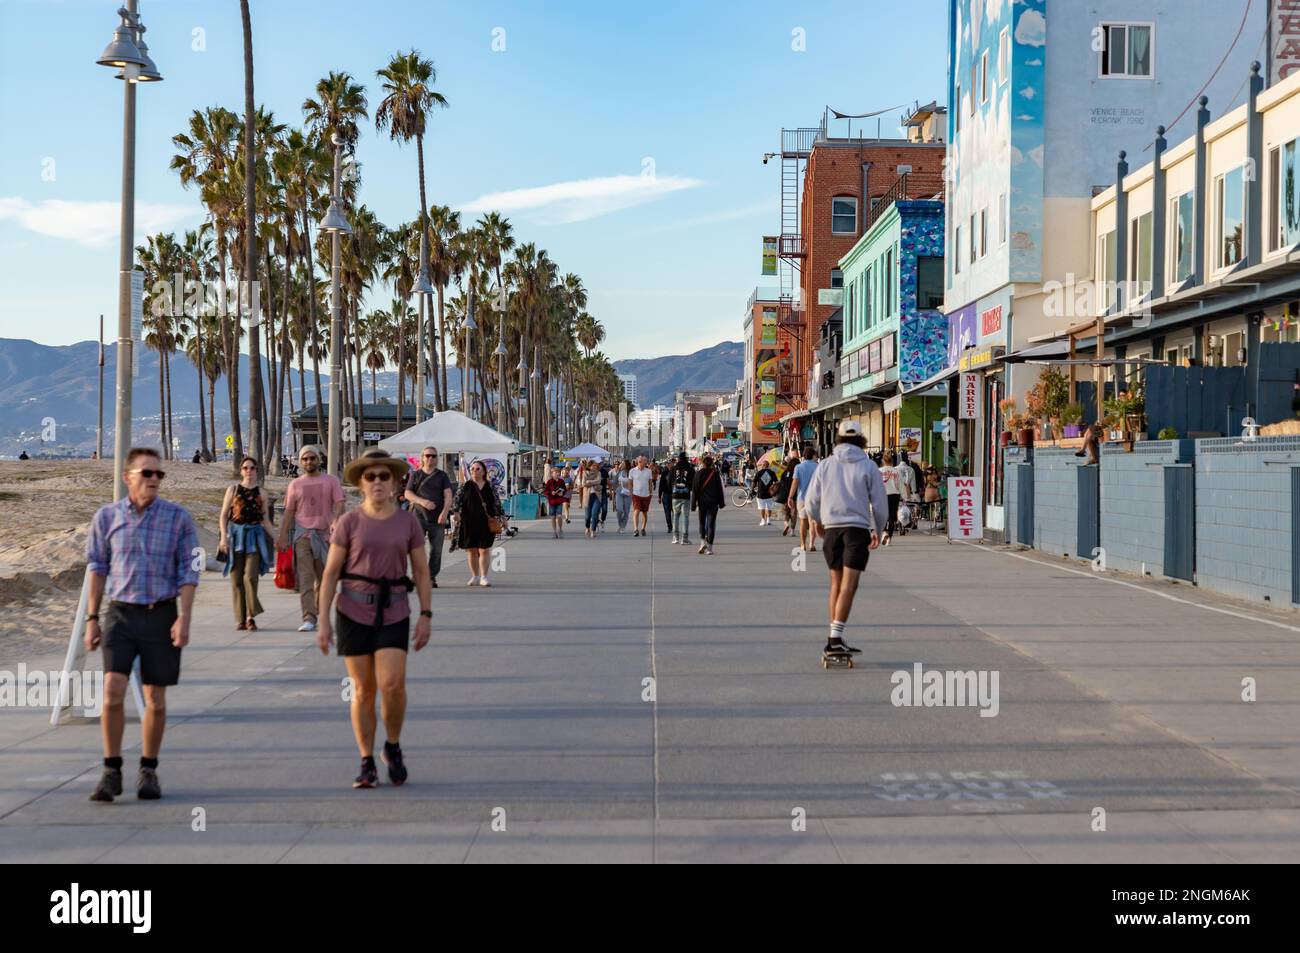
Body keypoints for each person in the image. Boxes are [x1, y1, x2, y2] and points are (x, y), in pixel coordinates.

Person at [84, 448, 199, 802]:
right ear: (127, 477)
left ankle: (148, 769)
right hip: (120, 614)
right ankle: (111, 769)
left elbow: (189, 571)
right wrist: (92, 618)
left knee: (156, 699)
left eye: (158, 474)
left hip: (160, 614)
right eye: (146, 473)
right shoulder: (105, 518)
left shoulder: (178, 518)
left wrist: (184, 617)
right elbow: (97, 568)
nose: (153, 479)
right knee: (112, 691)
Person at [316, 449, 431, 788]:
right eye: (371, 476)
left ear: (396, 482)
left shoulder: (408, 522)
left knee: (393, 684)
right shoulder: (349, 522)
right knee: (364, 690)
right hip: (352, 610)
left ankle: (392, 746)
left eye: (384, 476)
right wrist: (323, 621)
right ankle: (366, 760)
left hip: (395, 610)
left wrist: (426, 614)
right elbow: (331, 573)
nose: (378, 482)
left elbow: (422, 572)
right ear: (361, 483)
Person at [804, 420, 888, 662]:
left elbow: (811, 500)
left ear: (838, 439)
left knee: (836, 585)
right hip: (856, 530)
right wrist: (878, 529)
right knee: (849, 586)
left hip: (831, 531)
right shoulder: (869, 465)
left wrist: (818, 522)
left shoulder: (826, 465)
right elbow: (880, 503)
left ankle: (835, 637)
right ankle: (834, 639)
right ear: (861, 439)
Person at [277, 445, 346, 633]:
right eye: (305, 459)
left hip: (325, 537)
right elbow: (289, 511)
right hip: (303, 537)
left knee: (325, 581)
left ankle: (319, 613)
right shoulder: (295, 485)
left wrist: (336, 520)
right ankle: (308, 617)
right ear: (300, 462)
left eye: (312, 458)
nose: (309, 462)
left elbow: (340, 503)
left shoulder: (331, 481)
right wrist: (282, 535)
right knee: (306, 579)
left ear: (319, 460)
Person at [218, 456, 275, 631]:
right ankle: (241, 619)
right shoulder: (233, 490)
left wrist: (278, 538)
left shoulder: (262, 493)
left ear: (257, 470)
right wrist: (223, 537)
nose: (248, 471)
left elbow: (265, 520)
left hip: (254, 538)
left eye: (252, 468)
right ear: (241, 470)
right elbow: (223, 515)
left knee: (250, 577)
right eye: (245, 468)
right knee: (236, 580)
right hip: (235, 537)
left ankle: (251, 616)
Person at [404, 445, 453, 589]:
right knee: (417, 548)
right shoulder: (416, 475)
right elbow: (408, 493)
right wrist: (422, 502)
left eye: (433, 456)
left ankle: (430, 577)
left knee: (436, 550)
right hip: (418, 516)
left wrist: (444, 513)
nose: (431, 458)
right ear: (422, 458)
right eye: (428, 455)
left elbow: (448, 495)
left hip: (437, 518)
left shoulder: (442, 476)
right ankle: (417, 575)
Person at [451, 458, 505, 584]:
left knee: (484, 549)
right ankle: (475, 576)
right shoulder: (465, 486)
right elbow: (456, 502)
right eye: (472, 469)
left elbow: (497, 503)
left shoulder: (490, 486)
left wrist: (502, 517)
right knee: (471, 550)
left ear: (484, 471)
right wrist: (456, 513)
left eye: (477, 469)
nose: (474, 471)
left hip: (486, 523)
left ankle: (483, 577)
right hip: (468, 522)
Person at [691, 452, 725, 554]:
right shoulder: (715, 474)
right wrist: (721, 503)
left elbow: (695, 490)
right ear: (711, 464)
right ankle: (709, 547)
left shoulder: (698, 474)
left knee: (702, 522)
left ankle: (702, 542)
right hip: (713, 503)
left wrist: (693, 504)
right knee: (711, 524)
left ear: (702, 463)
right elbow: (720, 489)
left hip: (702, 502)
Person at [789, 445, 819, 552]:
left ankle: (802, 544)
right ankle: (811, 544)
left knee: (803, 521)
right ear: (813, 455)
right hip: (815, 499)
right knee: (812, 522)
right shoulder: (818, 466)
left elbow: (795, 483)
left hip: (801, 498)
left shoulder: (798, 467)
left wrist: (790, 497)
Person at [669, 451, 695, 545]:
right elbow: (694, 482)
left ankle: (675, 537)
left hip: (675, 495)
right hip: (686, 495)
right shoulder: (690, 469)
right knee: (686, 516)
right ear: (686, 458)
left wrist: (672, 489)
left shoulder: (673, 468)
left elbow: (669, 481)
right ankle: (684, 538)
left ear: (678, 458)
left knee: (676, 515)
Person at [879, 450, 903, 544]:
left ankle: (884, 531)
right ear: (892, 461)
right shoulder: (896, 471)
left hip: (882, 495)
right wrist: (904, 496)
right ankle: (890, 537)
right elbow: (900, 485)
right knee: (892, 517)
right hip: (894, 495)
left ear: (883, 461)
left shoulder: (879, 471)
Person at [629, 455, 654, 536]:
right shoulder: (632, 471)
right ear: (640, 462)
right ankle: (636, 529)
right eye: (645, 461)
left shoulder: (648, 471)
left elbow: (650, 483)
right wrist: (630, 491)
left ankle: (643, 528)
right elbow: (630, 482)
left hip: (646, 495)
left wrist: (651, 493)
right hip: (636, 494)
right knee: (636, 511)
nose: (646, 462)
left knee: (644, 513)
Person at [577, 459, 601, 538]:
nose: (595, 467)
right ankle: (587, 527)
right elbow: (584, 483)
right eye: (593, 465)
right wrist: (592, 481)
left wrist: (589, 482)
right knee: (587, 516)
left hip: (596, 496)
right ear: (589, 466)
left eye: (595, 465)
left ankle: (593, 531)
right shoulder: (584, 473)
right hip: (587, 496)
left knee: (594, 514)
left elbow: (598, 481)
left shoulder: (598, 473)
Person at [543, 466, 569, 538]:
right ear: (552, 474)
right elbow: (545, 491)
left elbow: (565, 490)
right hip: (551, 501)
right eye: (555, 472)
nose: (557, 474)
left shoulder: (561, 481)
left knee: (559, 516)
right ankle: (554, 532)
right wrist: (551, 493)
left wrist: (562, 493)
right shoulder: (549, 482)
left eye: (558, 472)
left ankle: (560, 529)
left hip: (559, 501)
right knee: (553, 517)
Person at [774, 456, 796, 536]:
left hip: (784, 495)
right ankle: (792, 531)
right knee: (793, 513)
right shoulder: (795, 472)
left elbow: (781, 482)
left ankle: (786, 524)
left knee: (786, 512)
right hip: (794, 495)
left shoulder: (785, 472)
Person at [753, 459, 777, 525]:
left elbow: (754, 482)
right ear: (768, 466)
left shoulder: (759, 473)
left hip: (761, 493)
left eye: (762, 465)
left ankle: (763, 520)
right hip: (770, 493)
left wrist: (752, 490)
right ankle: (768, 520)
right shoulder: (772, 472)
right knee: (769, 507)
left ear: (763, 465)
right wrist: (774, 490)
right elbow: (776, 482)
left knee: (761, 507)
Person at [657, 457, 675, 533]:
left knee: (675, 512)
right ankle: (669, 526)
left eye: (670, 463)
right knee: (667, 512)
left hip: (675, 495)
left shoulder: (676, 472)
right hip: (666, 495)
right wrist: (659, 496)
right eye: (668, 463)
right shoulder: (664, 473)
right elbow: (661, 485)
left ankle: (674, 525)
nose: (669, 465)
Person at [614, 459, 633, 533]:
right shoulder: (619, 473)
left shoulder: (631, 473)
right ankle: (620, 524)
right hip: (619, 492)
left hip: (628, 493)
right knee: (619, 510)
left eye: (623, 463)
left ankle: (622, 527)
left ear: (626, 465)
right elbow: (615, 482)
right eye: (621, 463)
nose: (621, 464)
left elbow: (634, 482)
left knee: (626, 511)